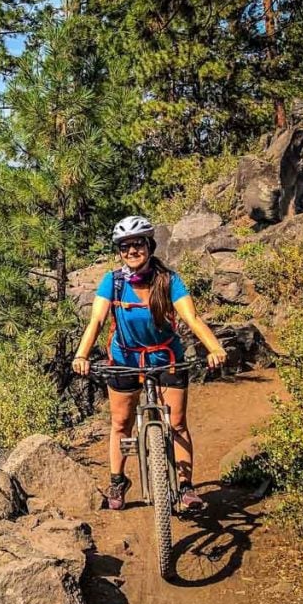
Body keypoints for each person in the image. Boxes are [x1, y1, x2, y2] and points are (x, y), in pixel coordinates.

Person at [72, 215, 228, 511]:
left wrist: (214, 347)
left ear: (149, 245)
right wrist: (82, 355)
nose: (132, 251)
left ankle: (185, 487)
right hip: (124, 358)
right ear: (119, 251)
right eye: (125, 246)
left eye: (138, 244)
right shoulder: (113, 281)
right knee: (121, 423)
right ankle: (118, 481)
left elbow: (191, 318)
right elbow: (97, 320)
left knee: (178, 422)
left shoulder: (169, 280)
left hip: (165, 358)